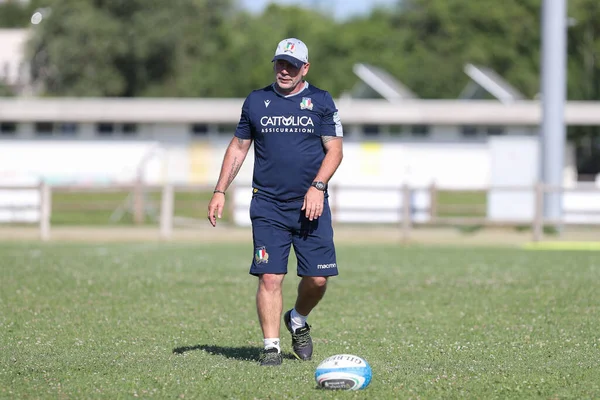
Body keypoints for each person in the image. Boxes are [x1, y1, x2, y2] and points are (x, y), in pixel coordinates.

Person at [207, 38, 344, 366]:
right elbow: (239, 147)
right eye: (280, 64)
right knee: (270, 276)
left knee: (318, 279)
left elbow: (335, 150)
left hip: (311, 205)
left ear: (305, 68)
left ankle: (297, 319)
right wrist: (219, 190)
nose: (285, 70)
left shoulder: (322, 102)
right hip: (267, 204)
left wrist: (318, 186)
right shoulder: (256, 101)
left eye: (292, 65)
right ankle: (271, 346)